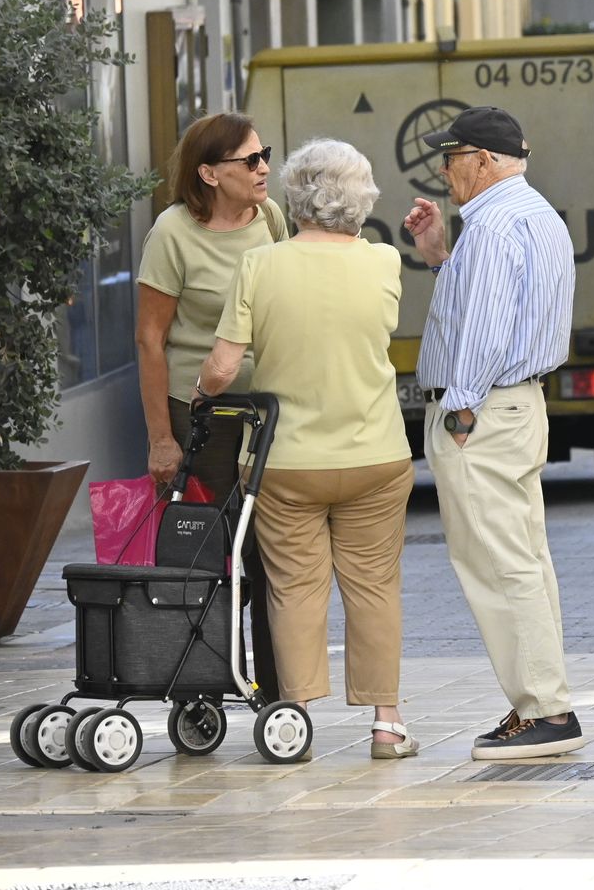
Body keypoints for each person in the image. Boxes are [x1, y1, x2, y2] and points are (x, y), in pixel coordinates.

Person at [197, 139, 417, 759]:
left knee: (294, 588)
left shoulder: (260, 266)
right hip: (375, 454)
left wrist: (201, 392)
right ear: (362, 200)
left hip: (284, 461)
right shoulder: (384, 262)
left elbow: (223, 367)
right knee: (374, 586)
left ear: (294, 198)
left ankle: (291, 721)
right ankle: (387, 724)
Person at [404, 106, 586, 762]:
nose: (443, 170)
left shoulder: (490, 225)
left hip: (483, 412)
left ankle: (545, 709)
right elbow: (486, 307)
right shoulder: (535, 215)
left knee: (498, 563)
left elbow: (482, 333)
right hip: (518, 406)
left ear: (483, 161)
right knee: (523, 559)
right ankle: (541, 699)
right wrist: (438, 257)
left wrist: (459, 412)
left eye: (451, 157)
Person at [136, 112, 287, 700]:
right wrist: (161, 439)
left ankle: (276, 690)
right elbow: (150, 340)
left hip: (266, 411)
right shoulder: (172, 233)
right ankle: (203, 684)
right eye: (250, 160)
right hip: (200, 416)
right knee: (212, 549)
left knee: (269, 549)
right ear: (208, 173)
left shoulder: (270, 218)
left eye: (264, 154)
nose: (264, 167)